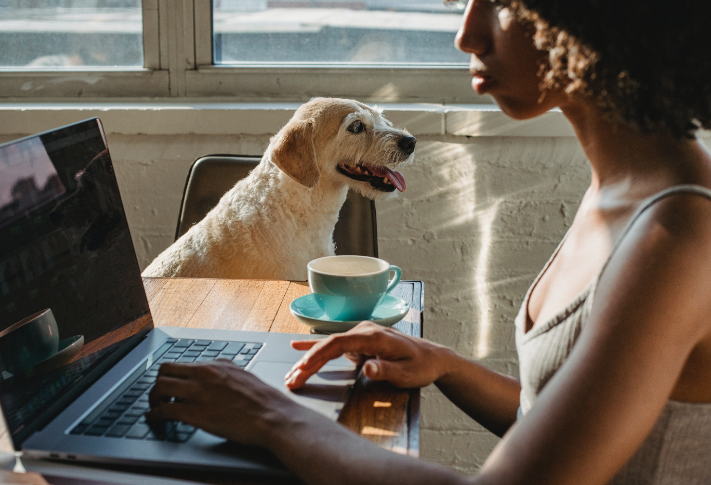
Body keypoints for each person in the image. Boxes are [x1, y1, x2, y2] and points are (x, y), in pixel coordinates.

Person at [146, 0, 711, 483]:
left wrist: (274, 418)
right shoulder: (627, 192)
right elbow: (565, 424)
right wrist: (444, 364)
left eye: (501, 2)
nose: (466, 32)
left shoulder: (678, 236)